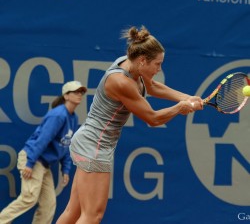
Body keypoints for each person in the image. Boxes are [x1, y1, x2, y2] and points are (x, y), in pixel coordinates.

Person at [56, 26, 203, 224]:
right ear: (142, 60)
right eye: (157, 64)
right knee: (92, 216)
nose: (159, 69)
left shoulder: (129, 63)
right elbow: (152, 118)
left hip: (89, 142)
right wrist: (179, 107)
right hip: (95, 146)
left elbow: (152, 86)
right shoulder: (121, 82)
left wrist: (187, 98)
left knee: (73, 212)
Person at [0, 81, 87, 224]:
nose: (79, 95)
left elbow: (65, 144)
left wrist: (65, 169)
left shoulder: (73, 118)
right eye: (76, 92)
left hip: (43, 164)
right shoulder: (58, 115)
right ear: (66, 96)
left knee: (48, 205)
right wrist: (30, 163)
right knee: (29, 197)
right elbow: (42, 140)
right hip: (33, 159)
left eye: (81, 92)